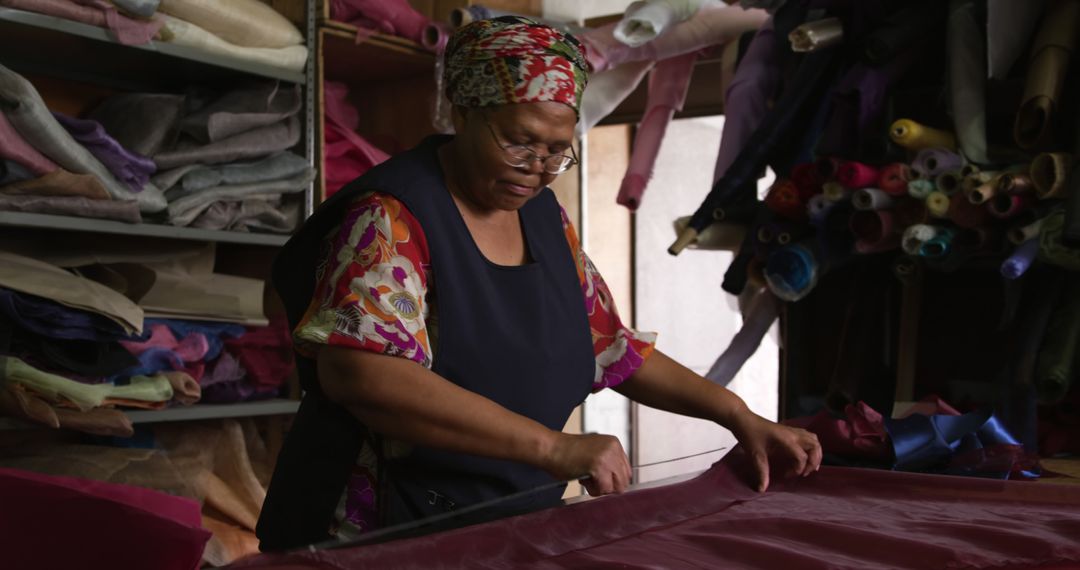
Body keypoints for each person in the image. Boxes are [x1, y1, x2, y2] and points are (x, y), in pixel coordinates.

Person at [256, 16, 821, 552]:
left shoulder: (545, 219)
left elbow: (611, 346)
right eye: (520, 140)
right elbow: (364, 374)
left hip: (499, 516)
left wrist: (739, 416)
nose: (539, 166)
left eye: (557, 149)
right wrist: (556, 448)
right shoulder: (392, 218)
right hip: (376, 526)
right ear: (462, 111)